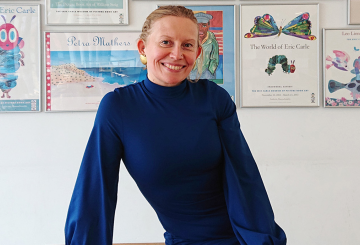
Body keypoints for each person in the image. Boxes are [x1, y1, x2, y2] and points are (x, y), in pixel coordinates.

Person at [65, 5, 287, 245]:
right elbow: (94, 190)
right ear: (143, 47)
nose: (176, 54)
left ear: (198, 51)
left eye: (187, 45)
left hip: (242, 238)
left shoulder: (215, 99)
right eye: (166, 42)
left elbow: (246, 180)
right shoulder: (118, 107)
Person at [190, 12, 219, 80]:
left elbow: (215, 59)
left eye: (204, 25)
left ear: (208, 26)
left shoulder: (213, 41)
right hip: (190, 74)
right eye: (197, 25)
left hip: (207, 75)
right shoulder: (188, 40)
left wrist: (210, 71)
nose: (200, 29)